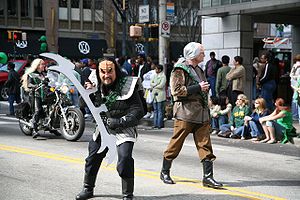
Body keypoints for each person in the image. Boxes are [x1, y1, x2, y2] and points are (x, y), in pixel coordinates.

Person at [75, 58, 144, 200]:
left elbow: (138, 110)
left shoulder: (127, 84)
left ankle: (127, 194)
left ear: (116, 71)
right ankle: (88, 188)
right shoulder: (95, 84)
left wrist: (120, 121)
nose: (106, 75)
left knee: (125, 159)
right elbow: (82, 105)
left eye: (110, 72)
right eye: (103, 72)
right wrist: (86, 92)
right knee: (92, 158)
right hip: (103, 127)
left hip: (124, 128)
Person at [160, 42, 223, 189]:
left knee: (205, 145)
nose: (204, 55)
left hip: (201, 113)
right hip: (185, 113)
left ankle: (208, 177)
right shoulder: (179, 69)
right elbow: (176, 91)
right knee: (176, 143)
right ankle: (165, 172)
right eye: (202, 52)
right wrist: (198, 87)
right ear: (193, 54)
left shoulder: (199, 69)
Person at [21, 58, 47, 139]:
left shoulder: (44, 74)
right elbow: (29, 84)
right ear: (37, 66)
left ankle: (52, 127)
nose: (44, 65)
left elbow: (51, 81)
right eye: (42, 64)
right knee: (38, 110)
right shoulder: (31, 74)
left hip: (45, 94)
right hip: (36, 94)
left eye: (44, 64)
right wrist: (35, 86)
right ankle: (34, 130)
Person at [150, 64, 166, 129]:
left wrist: (154, 85)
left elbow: (161, 85)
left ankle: (159, 124)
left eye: (156, 69)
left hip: (160, 95)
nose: (155, 70)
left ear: (160, 70)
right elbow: (151, 83)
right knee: (155, 110)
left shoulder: (163, 76)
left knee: (160, 110)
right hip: (154, 95)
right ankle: (155, 124)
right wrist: (156, 84)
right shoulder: (154, 75)